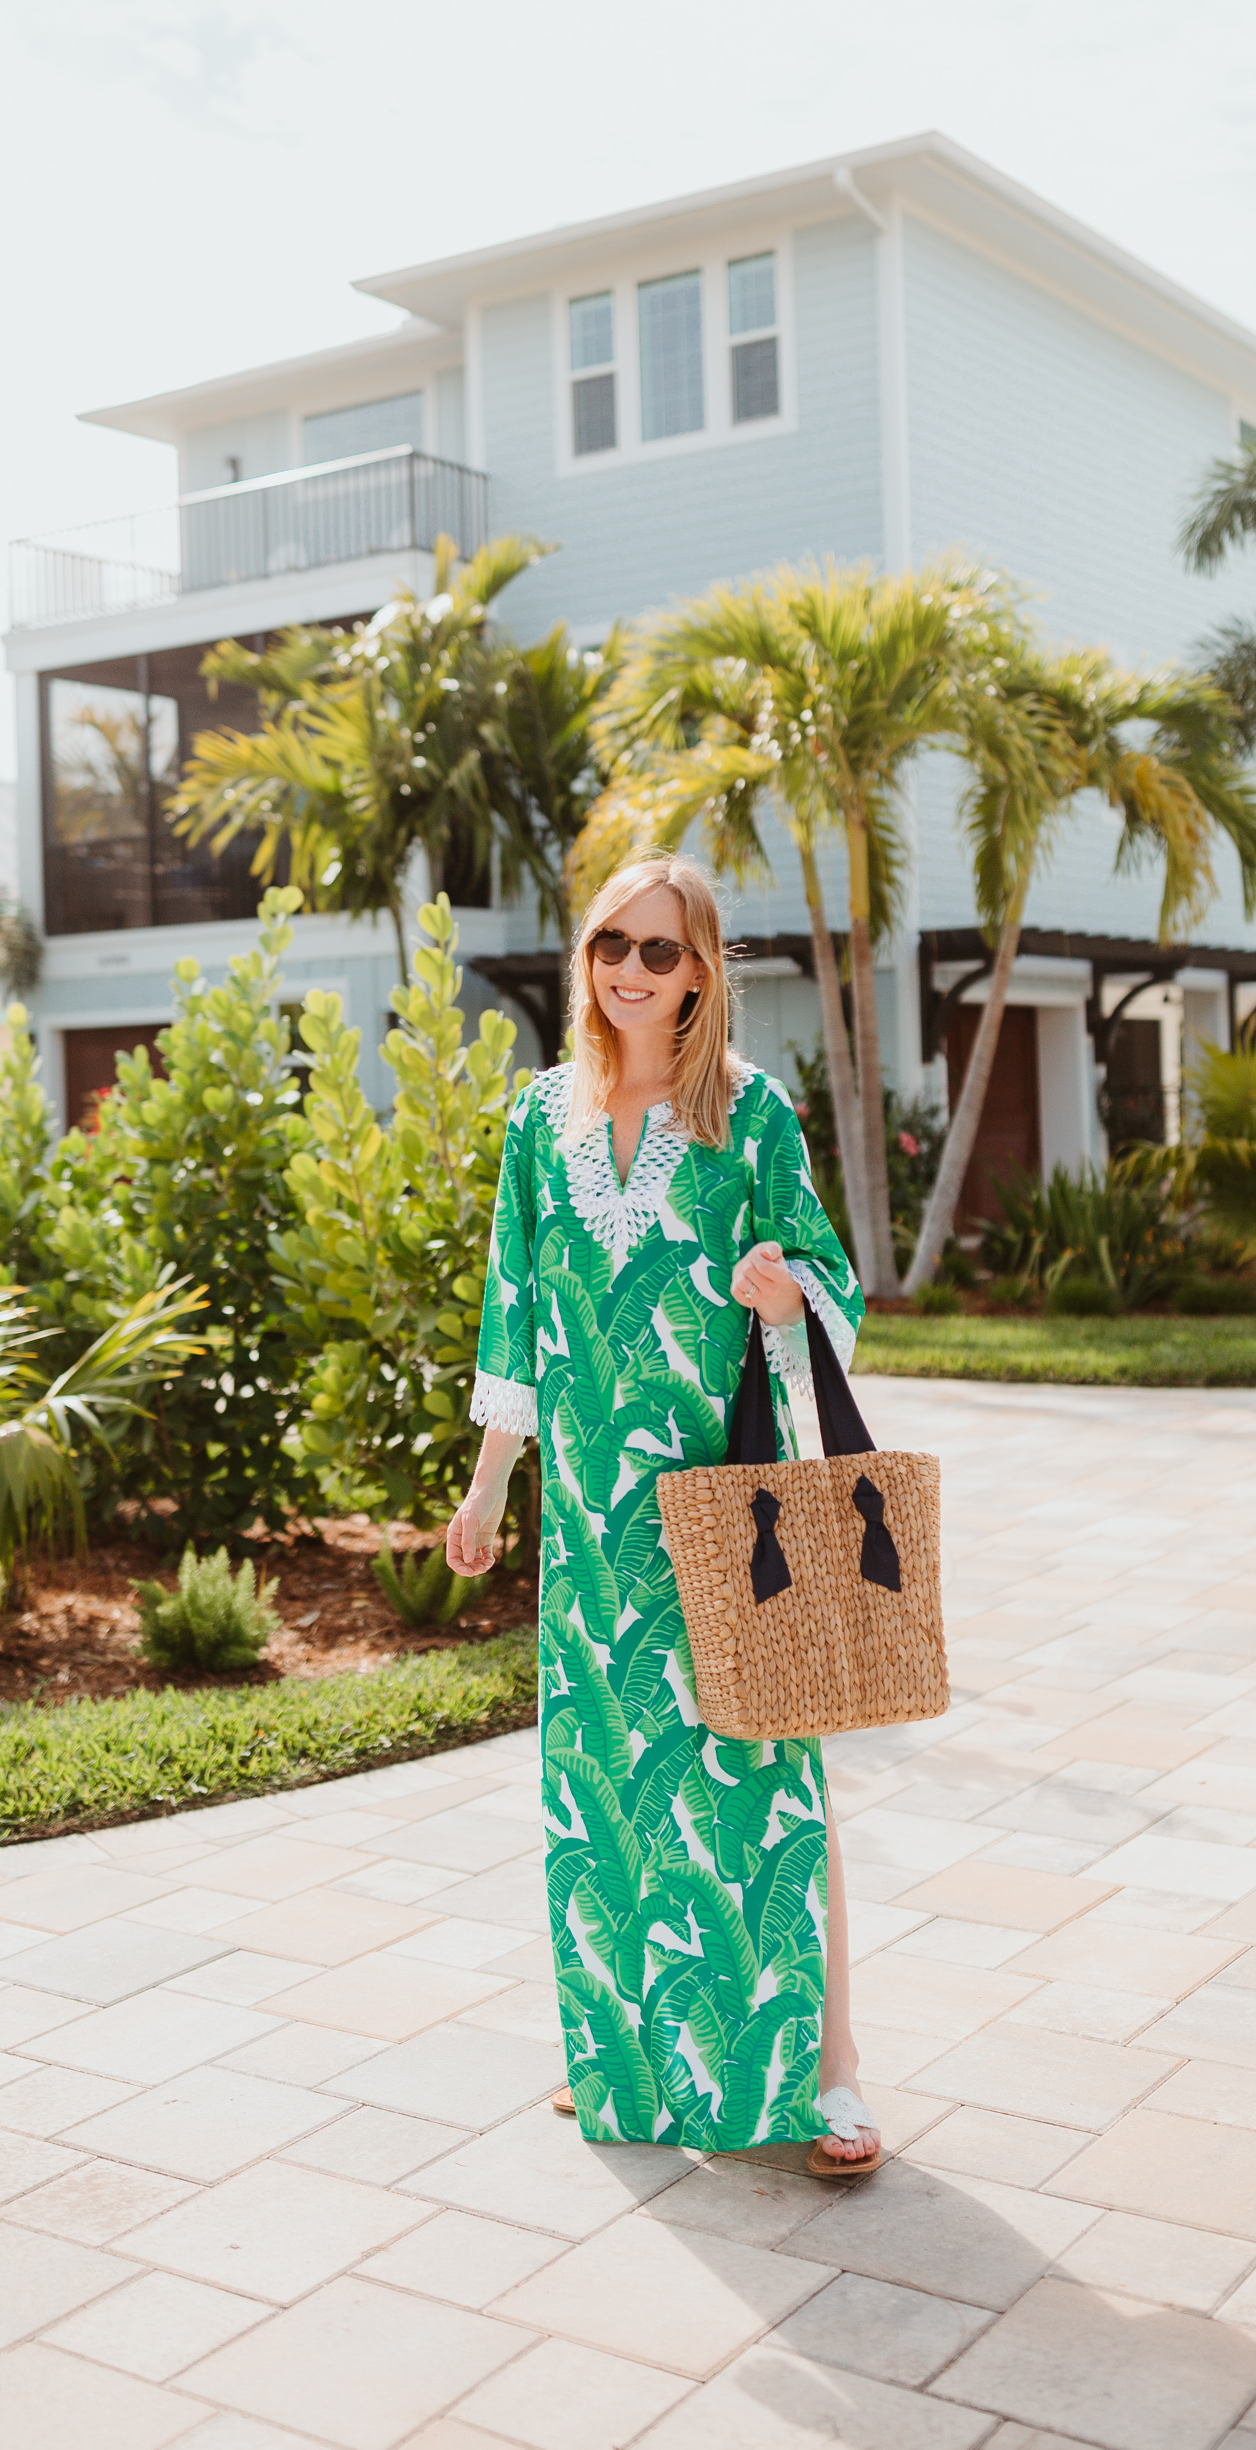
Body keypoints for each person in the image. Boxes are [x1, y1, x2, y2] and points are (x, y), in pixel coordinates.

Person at [446, 854, 881, 2171]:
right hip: (589, 1521)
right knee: (608, 1788)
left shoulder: (751, 1119)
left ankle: (834, 2075)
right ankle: (624, 2053)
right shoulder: (537, 1120)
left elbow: (831, 1278)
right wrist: (486, 1488)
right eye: (608, 946)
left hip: (722, 1505)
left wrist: (782, 1290)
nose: (629, 970)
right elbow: (515, 1312)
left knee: (770, 1775)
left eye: (658, 949)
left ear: (700, 971)